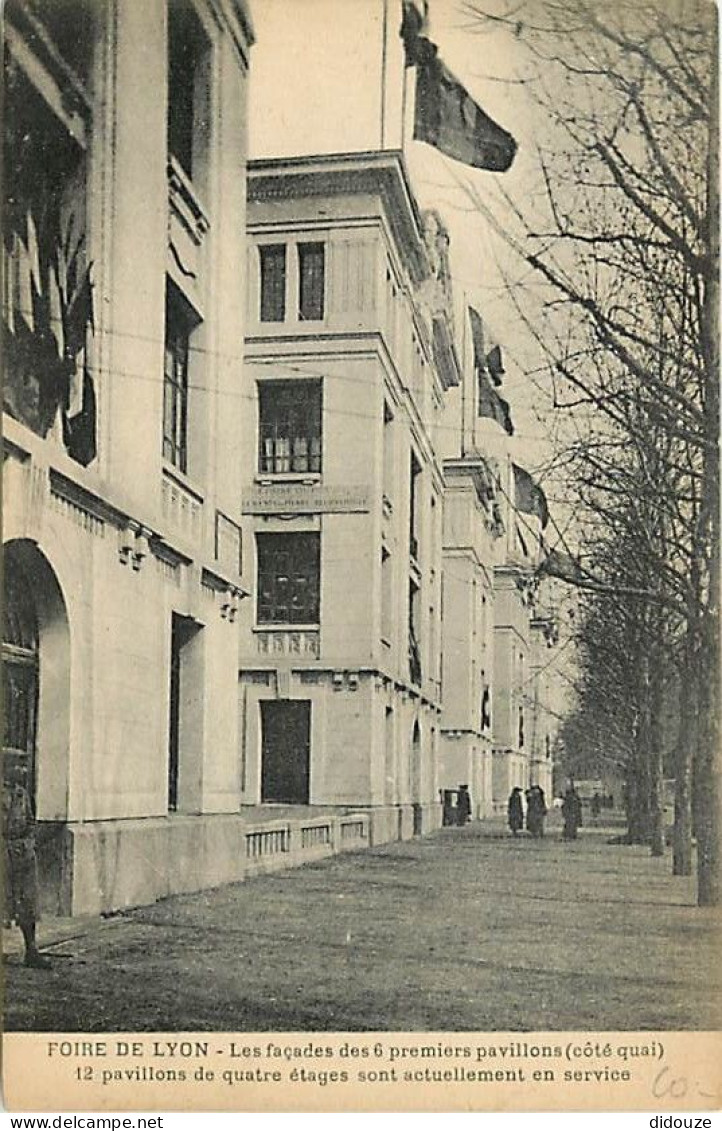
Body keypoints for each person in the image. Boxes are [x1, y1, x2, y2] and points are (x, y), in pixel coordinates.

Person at [3, 756, 51, 969]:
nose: (22, 770)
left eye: (23, 765)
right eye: (17, 765)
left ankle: (31, 950)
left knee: (28, 903)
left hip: (23, 854)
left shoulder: (22, 793)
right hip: (3, 853)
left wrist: (29, 842)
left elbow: (31, 821)